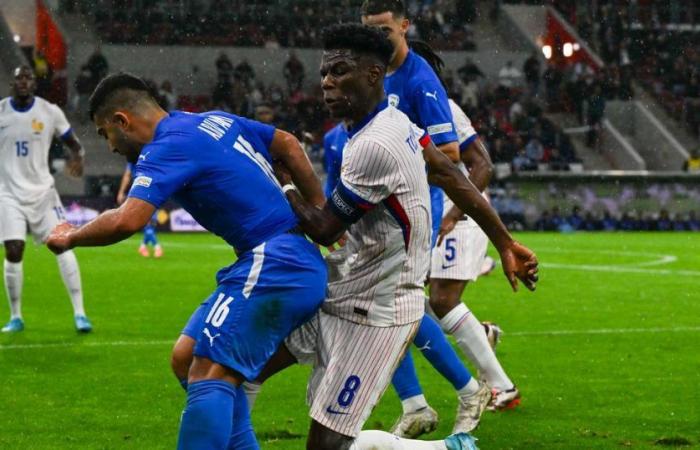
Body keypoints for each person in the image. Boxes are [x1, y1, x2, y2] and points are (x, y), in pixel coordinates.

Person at [252, 23, 538, 450]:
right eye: (325, 72)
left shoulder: (375, 145)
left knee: (326, 444)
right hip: (344, 288)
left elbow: (326, 227)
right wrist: (504, 241)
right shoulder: (393, 120)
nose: (327, 82)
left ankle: (444, 444)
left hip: (376, 311)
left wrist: (286, 183)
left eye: (340, 71)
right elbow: (447, 172)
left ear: (372, 75)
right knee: (242, 371)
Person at [45, 73, 329, 449]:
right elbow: (289, 144)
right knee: (186, 358)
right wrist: (322, 214)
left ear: (121, 121)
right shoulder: (212, 119)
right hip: (279, 259)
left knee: (209, 371)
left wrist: (72, 236)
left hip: (275, 262)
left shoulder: (166, 147)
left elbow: (129, 219)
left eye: (104, 133)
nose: (109, 146)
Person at [361, 1, 504, 435]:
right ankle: (421, 401)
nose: (378, 39)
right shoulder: (374, 72)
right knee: (380, 306)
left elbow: (454, 156)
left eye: (386, 30)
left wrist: (397, 173)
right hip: (382, 207)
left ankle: (465, 389)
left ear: (404, 26)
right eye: (371, 31)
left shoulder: (421, 82)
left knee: (397, 305)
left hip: (412, 208)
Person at [0, 66, 91, 333]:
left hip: (42, 193)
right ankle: (16, 316)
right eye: (19, 78)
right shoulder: (2, 111)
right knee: (14, 250)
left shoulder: (49, 112)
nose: (23, 82)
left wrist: (79, 158)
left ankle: (80, 313)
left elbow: (73, 143)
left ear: (34, 84)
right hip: (8, 194)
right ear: (13, 83)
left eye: (28, 78)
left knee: (63, 244)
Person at [116, 164, 163, 258]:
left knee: (151, 223)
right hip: (142, 193)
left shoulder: (149, 156)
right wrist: (121, 192)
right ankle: (157, 247)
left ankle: (143, 246)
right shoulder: (134, 159)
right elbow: (127, 175)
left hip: (154, 191)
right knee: (148, 223)